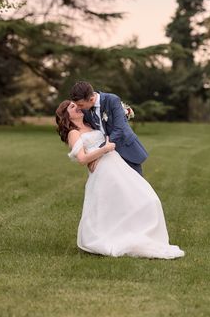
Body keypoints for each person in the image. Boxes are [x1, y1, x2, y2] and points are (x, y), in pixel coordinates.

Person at [55, 100, 184, 259]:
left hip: (116, 164)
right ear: (67, 115)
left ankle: (139, 233)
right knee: (120, 204)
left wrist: (121, 115)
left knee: (147, 199)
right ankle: (115, 236)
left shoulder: (91, 123)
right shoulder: (73, 133)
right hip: (104, 171)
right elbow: (82, 159)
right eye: (73, 107)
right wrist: (104, 150)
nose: (78, 107)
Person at [69, 81, 147, 175]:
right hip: (106, 159)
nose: (79, 108)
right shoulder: (85, 110)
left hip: (125, 149)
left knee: (134, 185)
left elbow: (119, 129)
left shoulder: (112, 100)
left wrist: (100, 150)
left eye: (80, 105)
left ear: (91, 99)